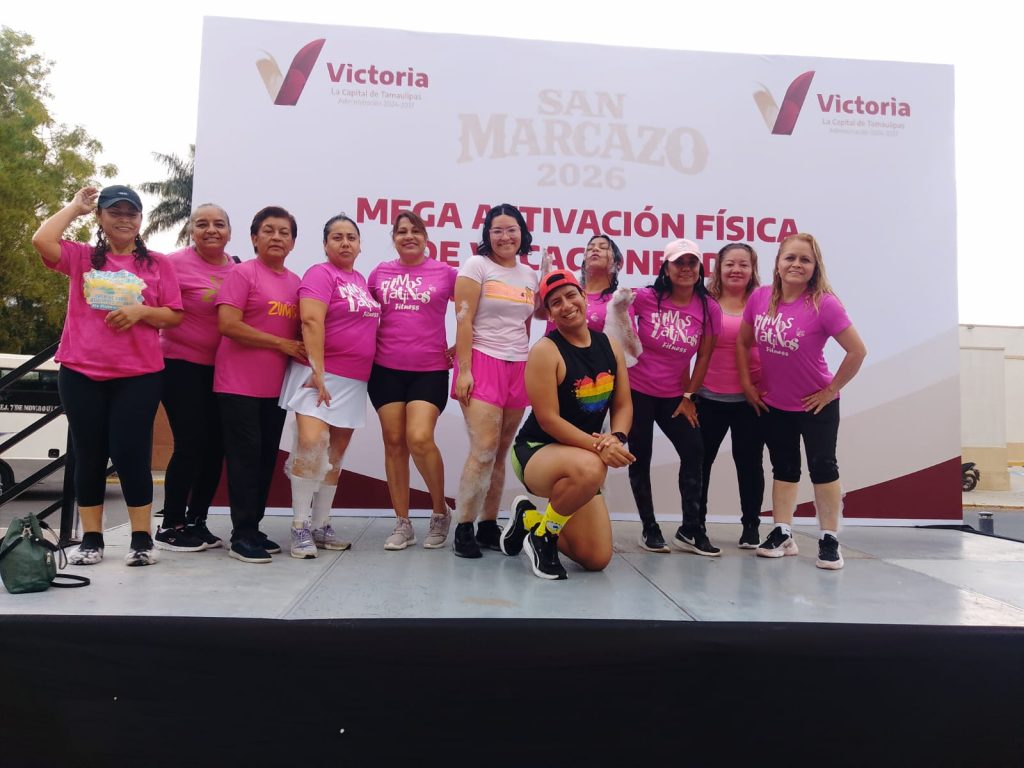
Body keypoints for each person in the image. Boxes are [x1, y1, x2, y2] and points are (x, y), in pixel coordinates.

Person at [31, 185, 183, 567]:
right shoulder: (82, 257)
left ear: (140, 219)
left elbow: (174, 315)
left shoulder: (158, 264)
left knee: (131, 454)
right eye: (115, 212)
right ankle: (91, 540)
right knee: (89, 454)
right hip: (81, 372)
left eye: (131, 213)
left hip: (138, 375)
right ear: (100, 217)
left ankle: (142, 539)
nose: (124, 219)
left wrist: (140, 312)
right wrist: (74, 207)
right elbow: (41, 241)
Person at [737, 233, 867, 570]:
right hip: (775, 403)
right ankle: (783, 532)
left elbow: (857, 351)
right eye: (790, 258)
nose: (796, 264)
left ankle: (829, 537)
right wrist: (748, 385)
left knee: (823, 467)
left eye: (805, 260)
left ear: (814, 267)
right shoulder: (760, 298)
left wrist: (830, 390)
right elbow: (743, 342)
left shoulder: (825, 304)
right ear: (778, 263)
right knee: (784, 467)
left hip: (815, 405)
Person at [500, 270, 635, 579]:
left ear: (584, 297)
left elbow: (623, 404)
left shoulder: (610, 345)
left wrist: (616, 437)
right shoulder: (545, 351)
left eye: (571, 295)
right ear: (549, 313)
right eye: (556, 302)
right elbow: (548, 420)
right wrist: (600, 447)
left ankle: (529, 520)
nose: (567, 305)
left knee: (596, 558)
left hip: (584, 457)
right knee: (591, 467)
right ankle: (544, 536)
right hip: (536, 451)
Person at [279, 214, 380, 559]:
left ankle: (321, 525)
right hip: (317, 374)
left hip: (353, 380)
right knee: (311, 444)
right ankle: (300, 526)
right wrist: (318, 370)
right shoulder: (320, 274)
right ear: (325, 244)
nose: (345, 243)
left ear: (360, 245)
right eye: (337, 237)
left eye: (351, 237)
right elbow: (311, 320)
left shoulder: (361, 281)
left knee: (335, 455)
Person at [215, 206, 306, 564]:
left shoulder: (296, 282)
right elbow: (228, 324)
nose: (276, 237)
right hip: (237, 385)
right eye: (268, 230)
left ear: (293, 242)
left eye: (284, 232)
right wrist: (281, 344)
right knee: (245, 460)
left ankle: (253, 527)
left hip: (275, 390)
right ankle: (241, 535)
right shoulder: (242, 273)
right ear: (254, 238)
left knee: (266, 458)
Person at [451, 203, 539, 558]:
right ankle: (463, 527)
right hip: (481, 360)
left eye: (511, 229)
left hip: (518, 365)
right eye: (497, 230)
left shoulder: (529, 274)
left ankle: (488, 525)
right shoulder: (476, 266)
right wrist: (465, 370)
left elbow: (528, 322)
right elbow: (463, 318)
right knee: (483, 448)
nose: (505, 236)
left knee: (501, 450)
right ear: (488, 235)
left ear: (522, 233)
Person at [367, 211, 456, 550]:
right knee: (394, 442)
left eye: (415, 231)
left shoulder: (445, 273)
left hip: (429, 370)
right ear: (394, 238)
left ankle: (440, 511)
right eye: (402, 231)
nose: (408, 236)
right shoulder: (380, 273)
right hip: (385, 370)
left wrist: (461, 347)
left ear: (426, 237)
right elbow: (358, 312)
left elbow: (475, 308)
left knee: (418, 437)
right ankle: (402, 523)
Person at [627, 238, 722, 555]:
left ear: (700, 268)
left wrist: (689, 395)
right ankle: (649, 528)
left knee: (695, 451)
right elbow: (612, 318)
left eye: (691, 262)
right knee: (641, 455)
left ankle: (690, 530)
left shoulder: (709, 308)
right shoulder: (645, 297)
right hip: (636, 391)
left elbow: (704, 356)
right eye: (678, 262)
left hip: (674, 396)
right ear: (665, 268)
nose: (685, 268)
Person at [156, 204, 236, 552]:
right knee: (190, 443)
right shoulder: (172, 264)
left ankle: (196, 521)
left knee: (216, 447)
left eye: (219, 224)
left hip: (223, 371)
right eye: (202, 224)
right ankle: (171, 525)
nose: (211, 230)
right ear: (191, 231)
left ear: (229, 232)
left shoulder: (237, 268)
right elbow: (154, 307)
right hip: (180, 366)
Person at [697, 243, 766, 549]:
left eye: (743, 264)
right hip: (708, 397)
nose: (736, 270)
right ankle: (696, 524)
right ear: (718, 269)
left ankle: (751, 526)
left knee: (749, 464)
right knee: (700, 464)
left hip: (751, 400)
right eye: (730, 264)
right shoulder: (704, 300)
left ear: (753, 270)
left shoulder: (764, 301)